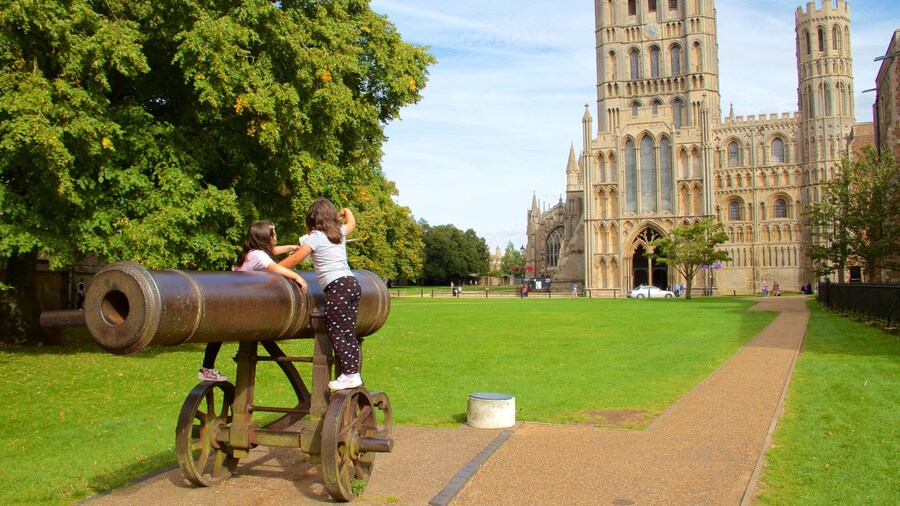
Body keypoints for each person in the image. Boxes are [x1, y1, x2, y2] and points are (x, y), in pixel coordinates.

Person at [198, 220, 308, 382]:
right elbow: (275, 268)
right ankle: (210, 367)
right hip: (237, 300)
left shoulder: (251, 253)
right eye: (274, 234)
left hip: (233, 297)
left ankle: (213, 365)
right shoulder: (259, 256)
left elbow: (272, 251)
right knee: (226, 330)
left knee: (223, 331)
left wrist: (291, 248)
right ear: (266, 237)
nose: (276, 236)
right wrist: (297, 276)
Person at [281, 198, 362, 391]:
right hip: (351, 283)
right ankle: (354, 372)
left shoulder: (315, 237)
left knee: (335, 330)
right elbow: (352, 223)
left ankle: (350, 375)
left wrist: (273, 267)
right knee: (348, 332)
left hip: (337, 287)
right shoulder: (338, 233)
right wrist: (345, 210)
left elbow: (295, 258)